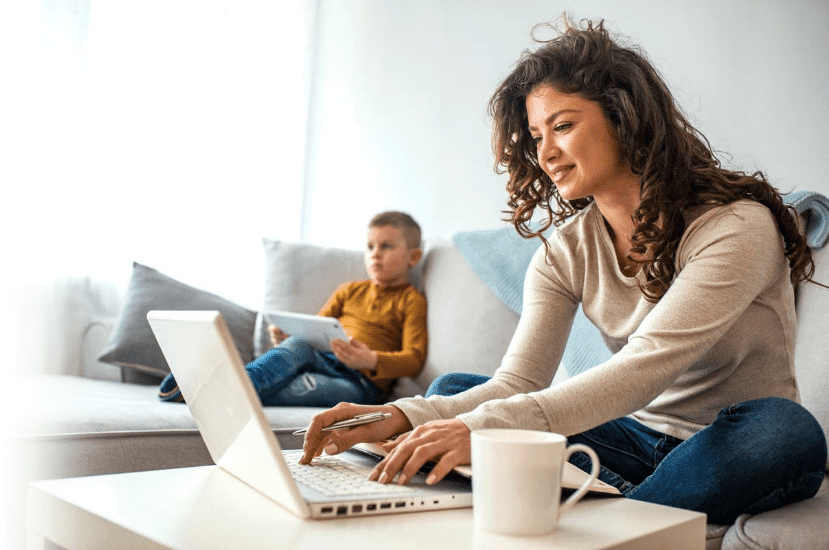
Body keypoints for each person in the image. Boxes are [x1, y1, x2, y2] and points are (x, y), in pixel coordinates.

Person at [298, 18, 827, 524]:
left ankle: (607, 513)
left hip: (731, 439)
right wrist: (408, 414)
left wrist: (474, 428)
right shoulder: (564, 252)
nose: (545, 153)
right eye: (534, 136)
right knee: (456, 389)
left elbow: (643, 369)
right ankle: (618, 509)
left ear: (624, 118)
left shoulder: (735, 226)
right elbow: (518, 382)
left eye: (563, 126)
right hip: (634, 442)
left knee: (784, 431)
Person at [159, 211, 428, 407]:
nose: (375, 254)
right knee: (298, 344)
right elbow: (316, 329)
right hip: (321, 358)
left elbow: (414, 359)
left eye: (386, 246)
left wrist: (371, 361)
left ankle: (207, 391)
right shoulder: (350, 290)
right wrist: (287, 338)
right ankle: (218, 386)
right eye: (370, 246)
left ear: (413, 257)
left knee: (297, 387)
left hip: (361, 385)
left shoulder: (411, 301)